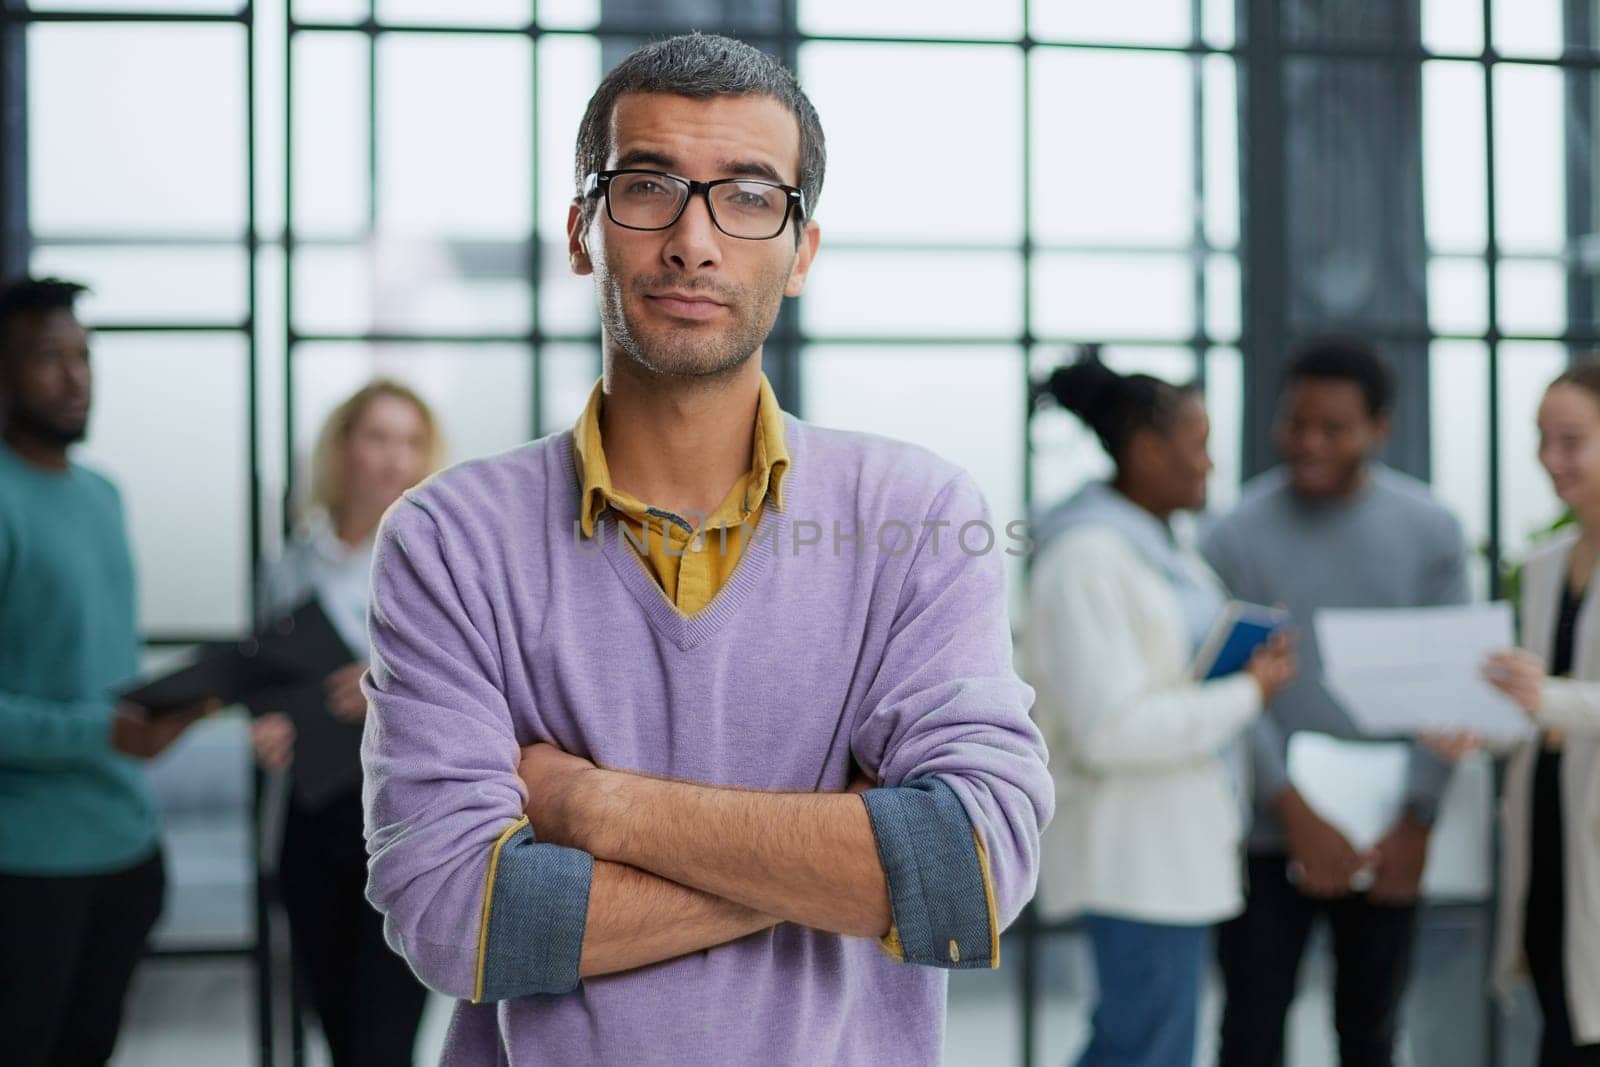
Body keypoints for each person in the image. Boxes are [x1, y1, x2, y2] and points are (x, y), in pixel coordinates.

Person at [360, 33, 1054, 1064]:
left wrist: (594, 804)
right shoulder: (448, 539)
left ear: (801, 250)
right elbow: (459, 916)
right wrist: (840, 856)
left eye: (747, 195)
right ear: (582, 229)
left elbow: (970, 868)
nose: (694, 240)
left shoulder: (919, 515)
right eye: (647, 187)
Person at [1201, 336, 1470, 1066]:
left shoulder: (1432, 531)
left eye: (1334, 427)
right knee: (1250, 1032)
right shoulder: (1233, 533)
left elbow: (1451, 686)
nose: (1309, 442)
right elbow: (1229, 685)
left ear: (1379, 427)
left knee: (1372, 1033)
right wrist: (1291, 806)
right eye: (1296, 423)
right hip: (1264, 832)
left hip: (1387, 833)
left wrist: (1417, 817)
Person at [1023, 351, 1296, 1067]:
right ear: (1146, 450)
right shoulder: (1086, 558)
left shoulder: (1160, 550)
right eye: (1197, 443)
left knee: (1147, 1044)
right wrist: (1249, 692)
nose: (1209, 464)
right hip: (1134, 857)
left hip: (1174, 854)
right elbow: (1111, 729)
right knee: (1141, 1047)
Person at [0, 276, 215, 1066]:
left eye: (84, 356)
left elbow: (91, 659)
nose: (74, 376)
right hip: (27, 864)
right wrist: (105, 730)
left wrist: (180, 702)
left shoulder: (101, 493)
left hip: (126, 849)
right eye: (46, 358)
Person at [250, 380, 443, 1066]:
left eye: (411, 440)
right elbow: (272, 685)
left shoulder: (439, 558)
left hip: (401, 820)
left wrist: (381, 689)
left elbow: (482, 692)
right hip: (310, 813)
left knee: (383, 1039)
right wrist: (270, 725)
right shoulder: (291, 565)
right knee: (333, 1029)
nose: (396, 457)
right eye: (379, 437)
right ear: (343, 450)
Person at [1480, 358, 1600, 1065]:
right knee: (1561, 1026)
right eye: (1541, 438)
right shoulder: (1546, 562)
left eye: (1571, 439)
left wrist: (1542, 695)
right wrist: (1481, 722)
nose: (1549, 458)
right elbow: (1534, 713)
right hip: (1551, 846)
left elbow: (1553, 696)